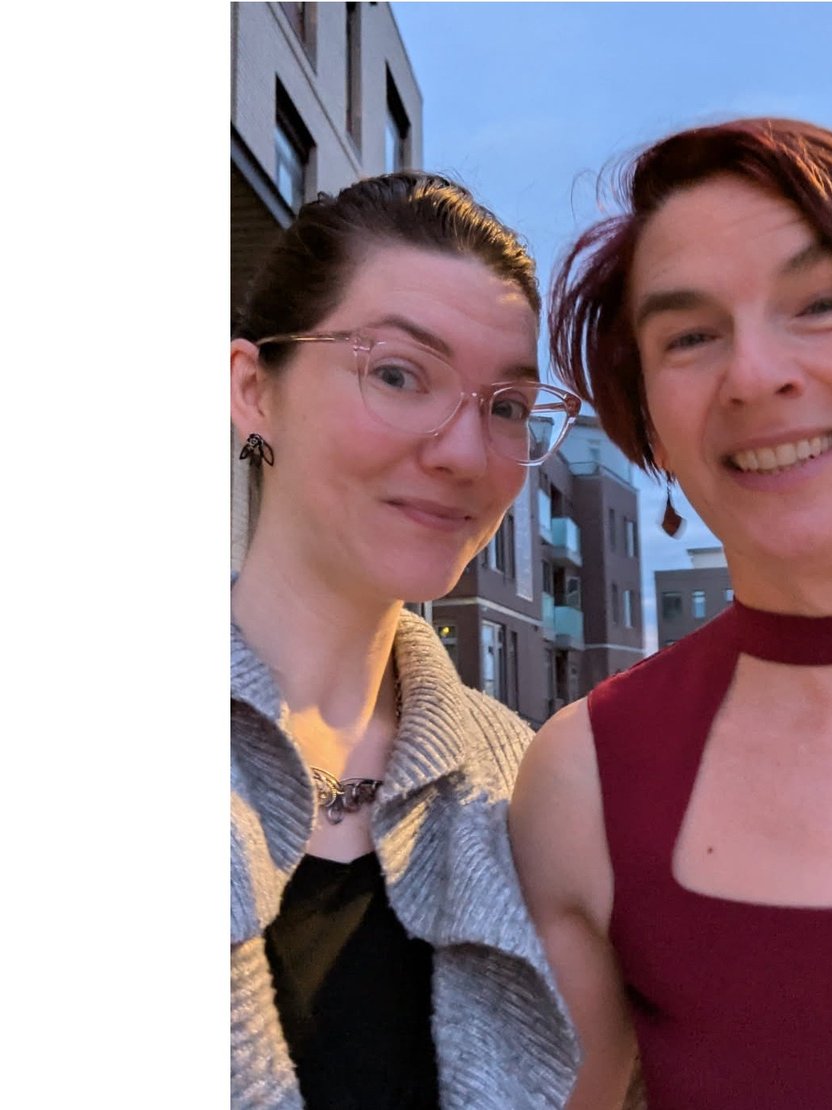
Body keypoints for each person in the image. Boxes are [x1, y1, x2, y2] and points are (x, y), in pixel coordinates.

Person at [512, 119, 832, 1109]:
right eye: (692, 336)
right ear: (651, 422)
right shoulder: (584, 781)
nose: (755, 376)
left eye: (821, 304)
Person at [229, 172, 583, 1109]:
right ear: (252, 389)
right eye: (396, 374)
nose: (466, 452)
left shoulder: (528, 786)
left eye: (507, 405)